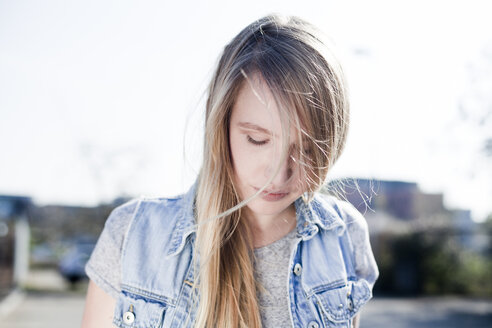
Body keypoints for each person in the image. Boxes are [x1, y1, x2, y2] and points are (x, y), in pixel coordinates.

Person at [81, 13, 379, 328]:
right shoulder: (134, 235)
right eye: (258, 140)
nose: (279, 175)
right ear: (221, 125)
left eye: (306, 150)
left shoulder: (343, 233)